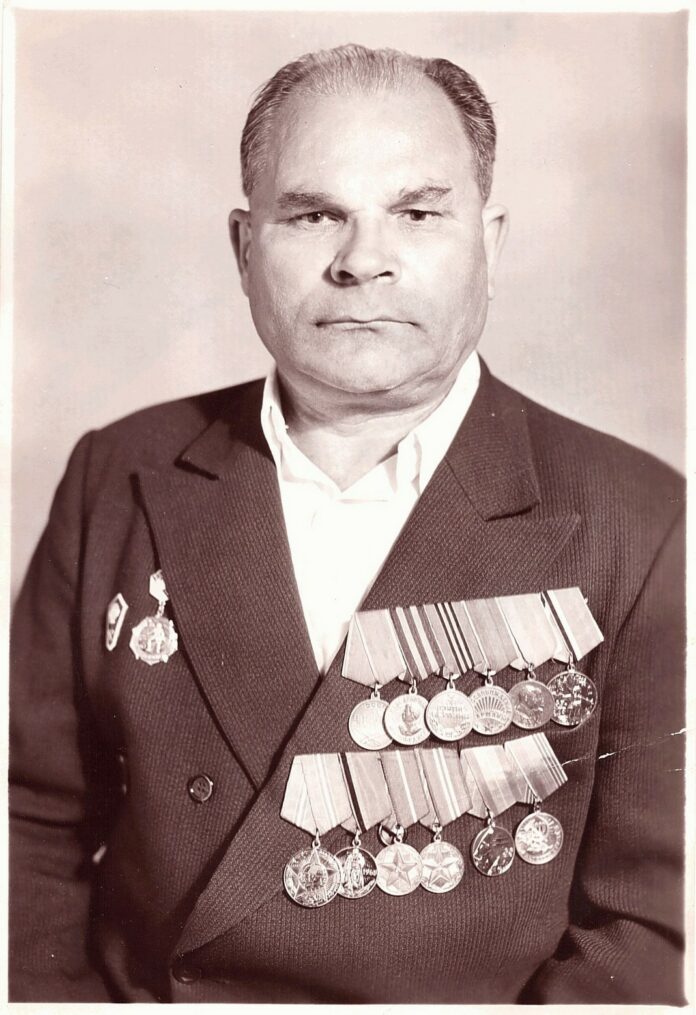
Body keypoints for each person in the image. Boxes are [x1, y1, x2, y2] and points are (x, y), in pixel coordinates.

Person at [9, 43, 685, 1003]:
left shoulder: (642, 522)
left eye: (417, 213)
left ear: (490, 243)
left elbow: (648, 926)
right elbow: (24, 824)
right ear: (244, 249)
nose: (363, 260)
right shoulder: (117, 474)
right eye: (313, 213)